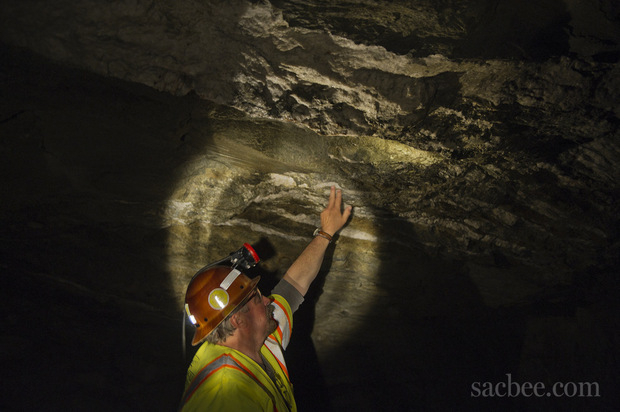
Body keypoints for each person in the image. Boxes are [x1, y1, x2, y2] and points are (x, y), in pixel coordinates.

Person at [179, 186, 352, 412]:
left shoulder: (259, 339)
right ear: (237, 321)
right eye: (258, 299)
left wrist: (326, 232)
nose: (269, 301)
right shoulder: (224, 394)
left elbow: (293, 287)